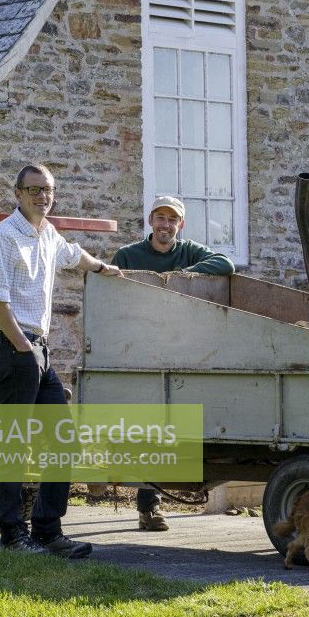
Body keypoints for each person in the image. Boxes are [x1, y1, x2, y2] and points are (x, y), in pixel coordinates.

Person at [0, 164, 122, 556]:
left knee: (63, 439)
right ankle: (12, 535)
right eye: (34, 190)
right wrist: (23, 346)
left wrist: (101, 267)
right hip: (15, 349)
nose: (43, 196)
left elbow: (73, 256)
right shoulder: (2, 237)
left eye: (48, 190)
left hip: (39, 351)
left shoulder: (48, 233)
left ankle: (46, 529)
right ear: (18, 193)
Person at [112, 195, 235, 531]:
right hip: (139, 348)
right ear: (150, 220)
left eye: (172, 220)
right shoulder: (128, 255)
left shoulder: (189, 251)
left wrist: (181, 275)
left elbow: (226, 264)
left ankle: (173, 493)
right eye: (160, 218)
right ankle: (148, 509)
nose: (166, 225)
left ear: (180, 225)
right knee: (145, 431)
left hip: (182, 348)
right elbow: (112, 294)